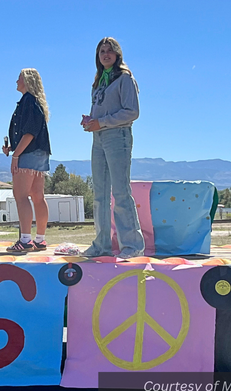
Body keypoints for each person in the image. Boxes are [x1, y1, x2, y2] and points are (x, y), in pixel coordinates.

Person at [81, 37, 145, 259]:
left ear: (118, 54)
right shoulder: (99, 80)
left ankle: (132, 245)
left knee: (120, 190)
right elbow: (103, 110)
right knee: (99, 193)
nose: (105, 54)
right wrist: (91, 120)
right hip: (98, 137)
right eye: (101, 51)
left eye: (110, 50)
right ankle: (101, 245)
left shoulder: (124, 78)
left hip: (117, 136)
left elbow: (132, 111)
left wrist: (103, 121)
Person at [2, 68, 51, 252]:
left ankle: (25, 239)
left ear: (27, 81)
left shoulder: (28, 101)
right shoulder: (34, 102)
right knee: (38, 196)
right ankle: (40, 238)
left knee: (21, 195)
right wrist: (13, 148)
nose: (16, 81)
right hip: (40, 153)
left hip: (28, 153)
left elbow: (29, 132)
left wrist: (16, 155)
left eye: (19, 78)